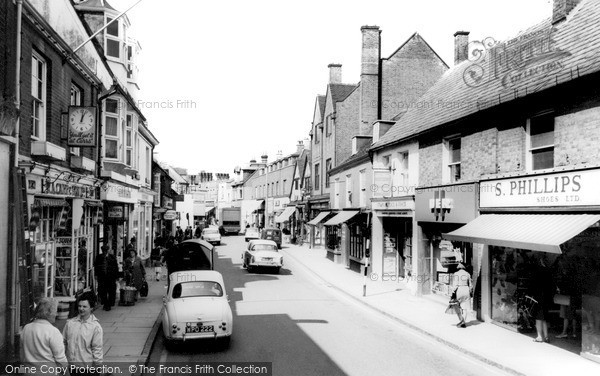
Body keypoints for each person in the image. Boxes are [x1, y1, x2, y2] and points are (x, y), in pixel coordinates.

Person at [21, 298, 69, 373]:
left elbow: (22, 355)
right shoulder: (53, 331)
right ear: (49, 313)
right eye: (55, 311)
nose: (56, 314)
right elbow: (61, 360)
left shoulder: (26, 328)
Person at [62, 292, 103, 372]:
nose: (81, 309)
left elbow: (97, 348)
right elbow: (63, 343)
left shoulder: (96, 327)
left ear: (91, 308)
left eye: (84, 306)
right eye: (79, 306)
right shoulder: (70, 323)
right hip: (71, 367)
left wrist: (97, 366)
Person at [532, 255, 555, 342]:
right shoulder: (550, 272)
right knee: (544, 318)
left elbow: (535, 285)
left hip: (539, 298)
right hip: (547, 298)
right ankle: (546, 336)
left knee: (538, 318)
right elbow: (552, 286)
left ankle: (539, 336)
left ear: (541, 261)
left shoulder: (539, 271)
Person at [94, 245, 119, 311]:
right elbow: (96, 267)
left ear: (108, 250)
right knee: (103, 291)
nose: (104, 252)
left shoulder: (112, 257)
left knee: (111, 291)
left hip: (110, 277)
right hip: (102, 277)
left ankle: (109, 304)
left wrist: (116, 276)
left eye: (106, 250)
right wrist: (96, 275)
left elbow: (116, 267)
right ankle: (105, 303)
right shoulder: (99, 257)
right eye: (103, 250)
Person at [452, 263, 472, 328]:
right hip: (466, 289)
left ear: (458, 268)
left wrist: (452, 292)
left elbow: (455, 285)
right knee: (465, 308)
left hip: (459, 289)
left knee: (459, 306)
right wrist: (470, 291)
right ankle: (464, 322)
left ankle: (461, 320)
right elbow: (470, 285)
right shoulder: (468, 274)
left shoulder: (456, 274)